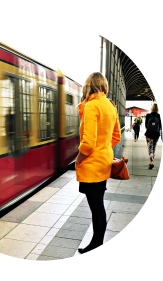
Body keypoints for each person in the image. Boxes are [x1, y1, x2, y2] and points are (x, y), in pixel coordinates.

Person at [75, 72, 121, 254]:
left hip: (92, 166)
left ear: (89, 86)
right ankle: (97, 242)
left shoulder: (92, 106)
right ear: (103, 86)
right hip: (104, 163)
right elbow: (116, 136)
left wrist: (78, 160)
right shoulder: (110, 106)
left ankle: (96, 245)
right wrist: (104, 150)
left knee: (96, 206)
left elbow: (88, 143)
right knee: (98, 204)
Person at [144, 103, 161, 169]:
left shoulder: (148, 115)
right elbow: (160, 127)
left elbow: (146, 125)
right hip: (156, 134)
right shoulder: (159, 116)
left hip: (149, 134)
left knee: (149, 148)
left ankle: (151, 161)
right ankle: (152, 158)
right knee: (154, 147)